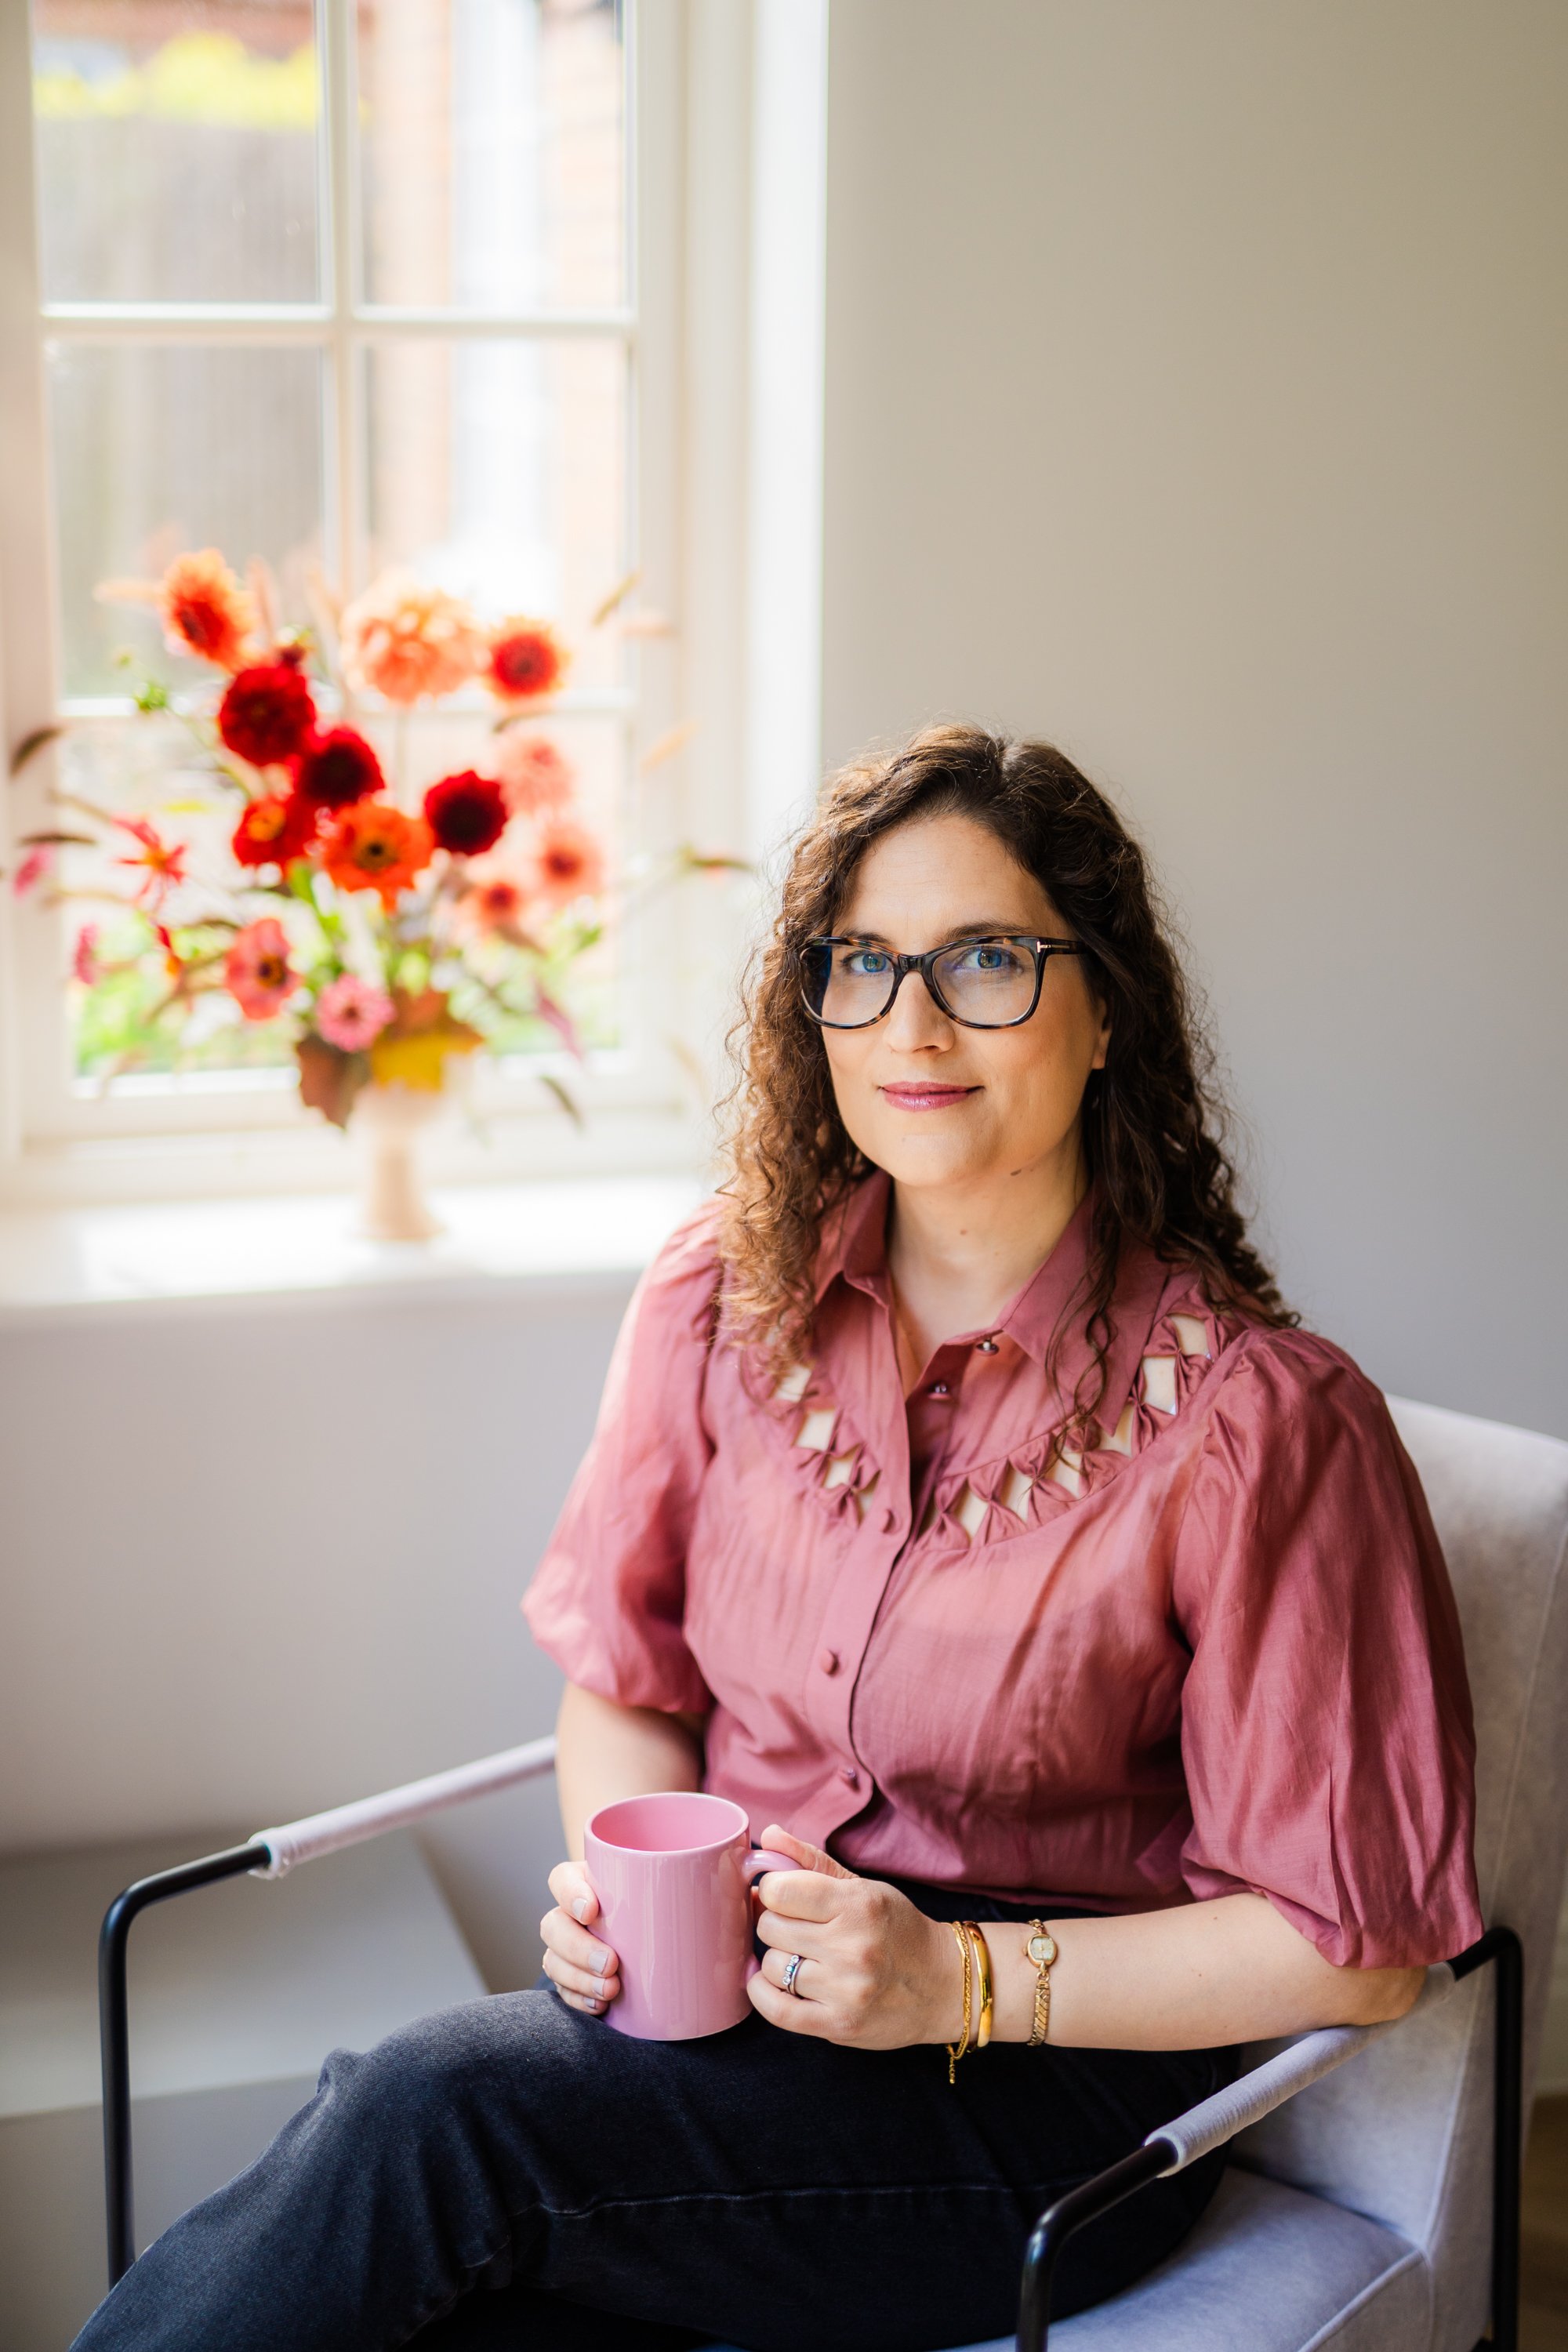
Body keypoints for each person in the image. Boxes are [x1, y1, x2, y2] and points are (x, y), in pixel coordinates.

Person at [74, 726, 1482, 2352]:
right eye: (862, 965)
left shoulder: (1260, 1426)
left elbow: (1355, 1950)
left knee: (430, 2111)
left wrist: (948, 1985)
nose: (915, 1021)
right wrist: (629, 1896)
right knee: (468, 2314)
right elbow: (625, 1678)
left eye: (987, 961)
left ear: (1107, 1012)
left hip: (1041, 2108)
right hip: (737, 2030)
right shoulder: (714, 1302)